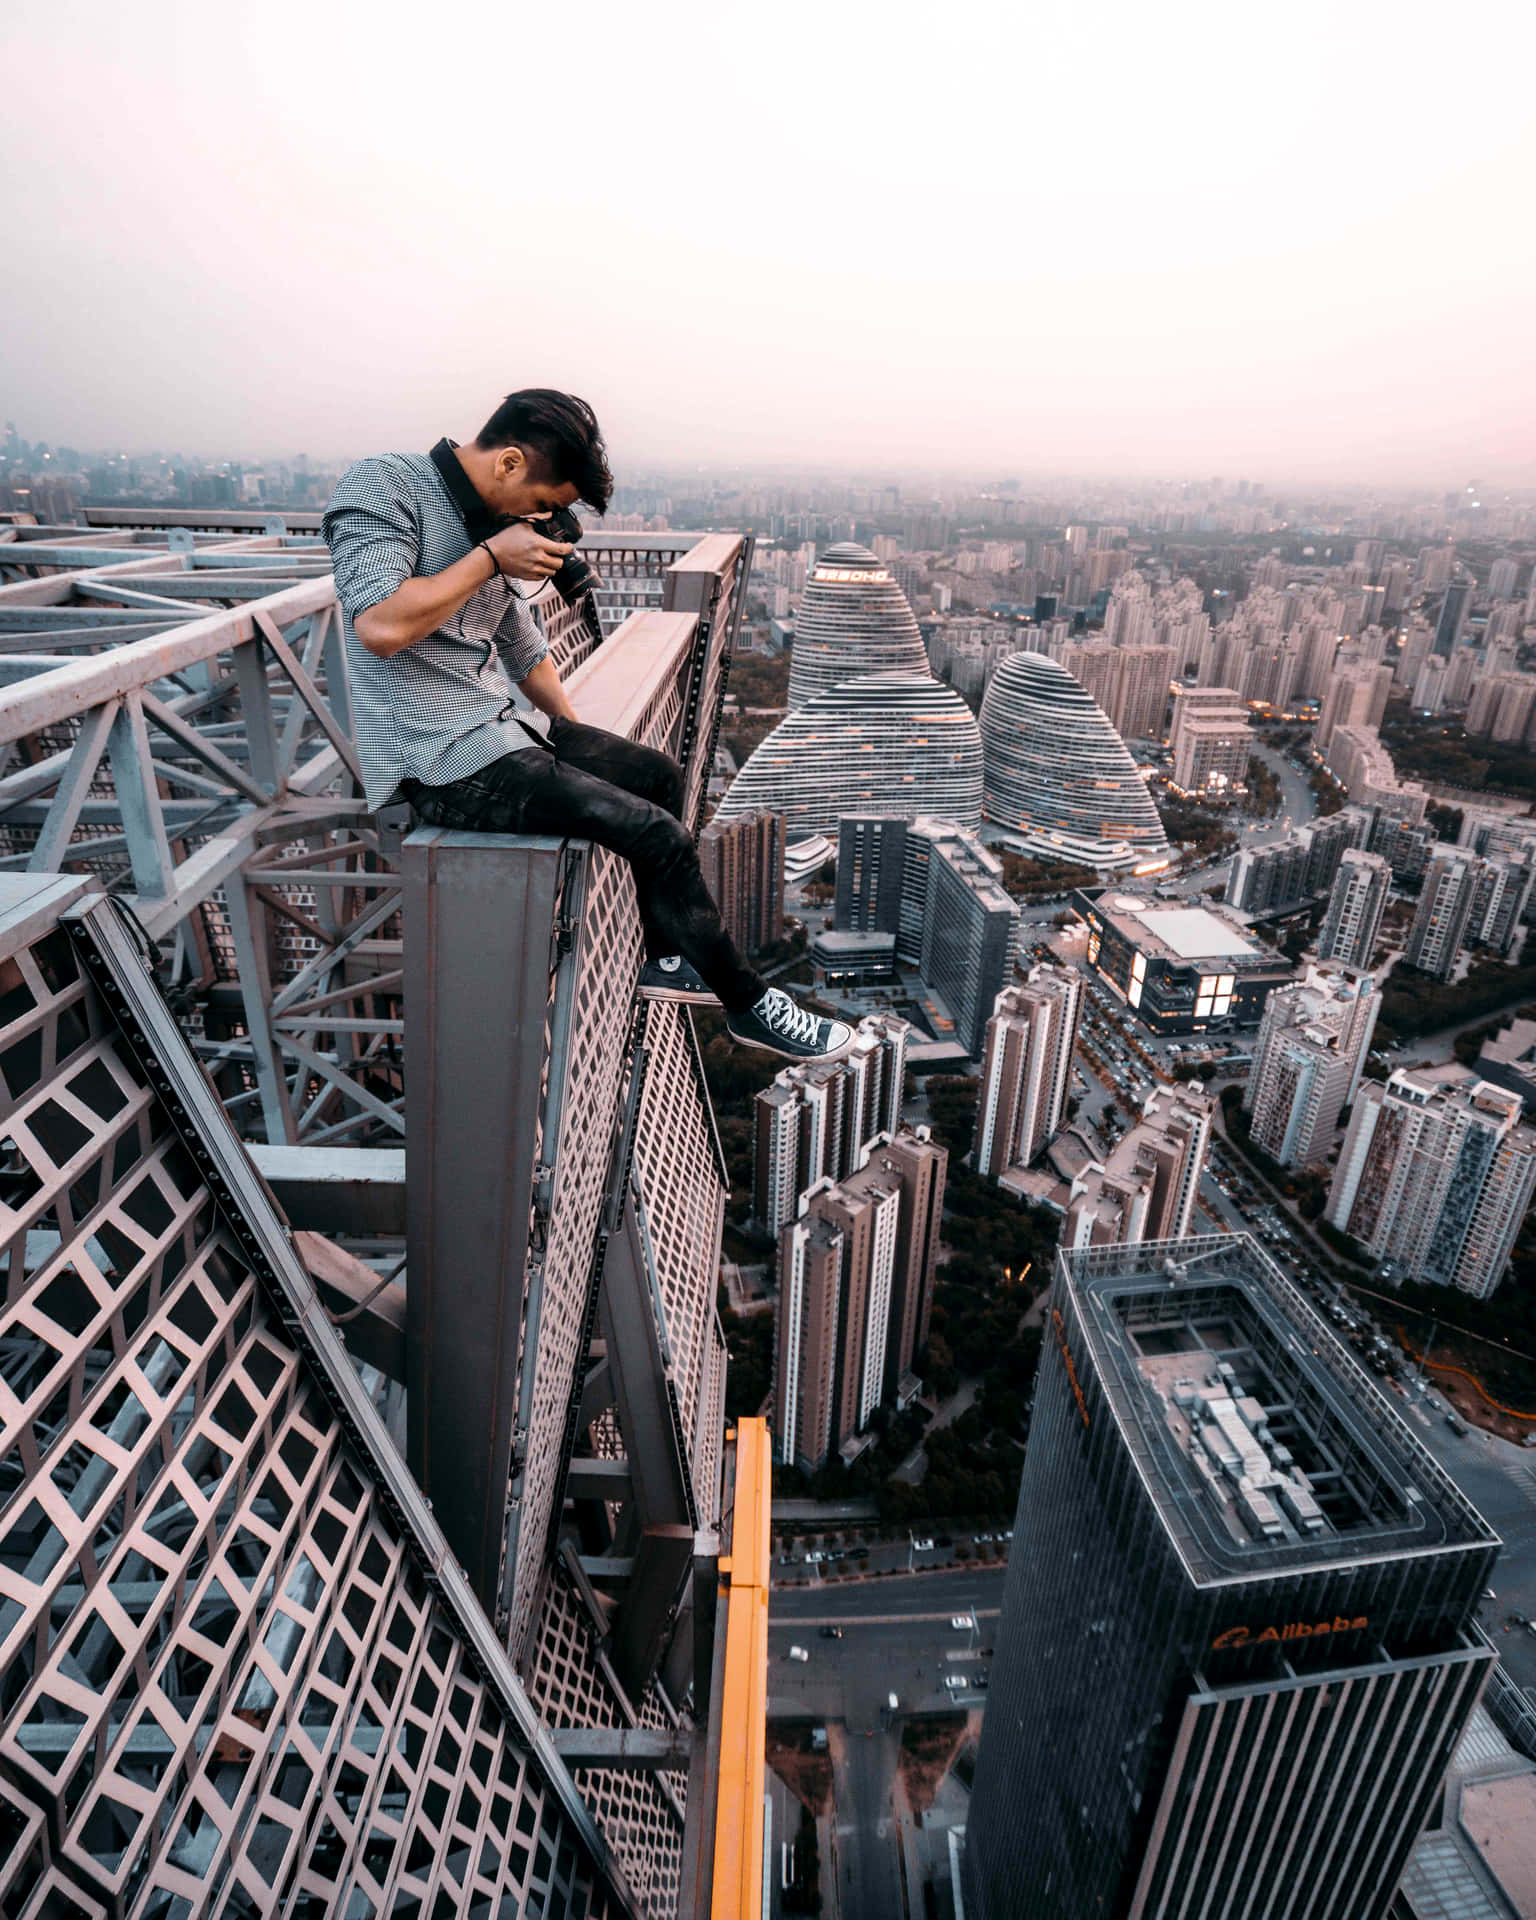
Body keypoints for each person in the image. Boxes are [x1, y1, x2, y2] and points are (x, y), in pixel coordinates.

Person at [323, 389, 851, 1060]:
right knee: (654, 835)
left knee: (657, 777)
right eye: (544, 501)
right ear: (510, 462)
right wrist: (491, 558)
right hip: (436, 759)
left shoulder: (489, 520)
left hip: (506, 729)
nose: (543, 518)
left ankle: (662, 960)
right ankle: (750, 1006)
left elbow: (518, 644)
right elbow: (379, 626)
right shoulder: (387, 485)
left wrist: (573, 740)